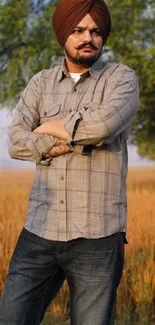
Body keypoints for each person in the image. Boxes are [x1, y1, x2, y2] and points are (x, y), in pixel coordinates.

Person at [0, 0, 139, 324]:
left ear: (103, 36)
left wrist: (46, 128)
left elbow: (103, 127)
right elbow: (16, 142)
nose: (87, 37)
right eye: (78, 29)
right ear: (64, 33)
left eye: (95, 31)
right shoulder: (40, 82)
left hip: (98, 237)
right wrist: (74, 137)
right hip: (39, 231)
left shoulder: (121, 79)